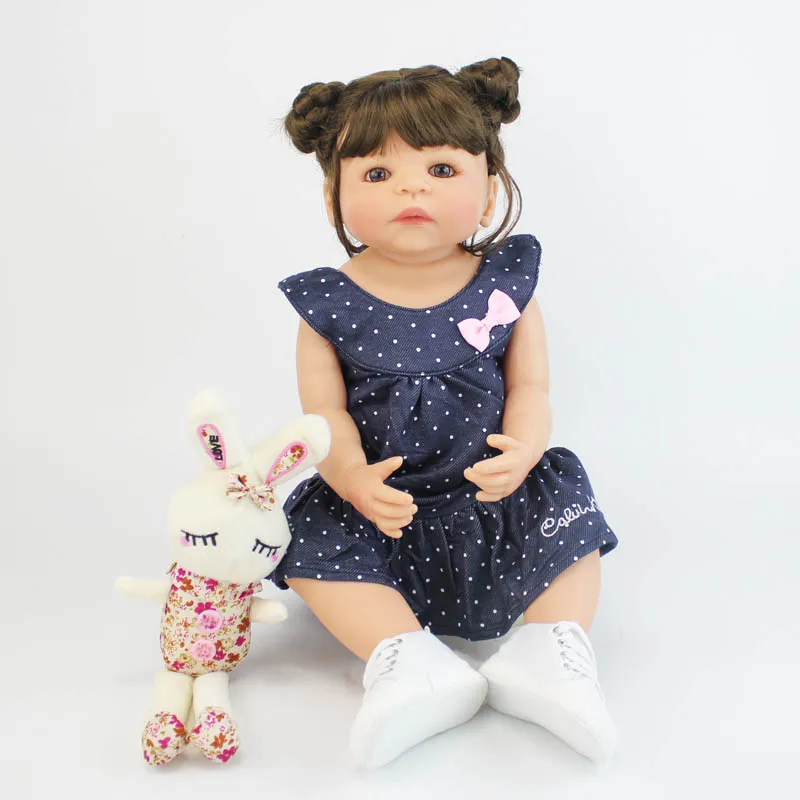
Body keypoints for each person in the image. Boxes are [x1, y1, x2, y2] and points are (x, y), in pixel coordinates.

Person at [269, 56, 620, 769]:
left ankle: (550, 651)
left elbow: (531, 388)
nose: (411, 188)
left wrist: (524, 449)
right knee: (302, 533)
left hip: (492, 499)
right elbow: (324, 414)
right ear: (334, 196)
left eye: (440, 169)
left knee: (566, 499)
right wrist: (351, 478)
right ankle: (404, 660)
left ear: (489, 190)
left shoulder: (505, 283)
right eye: (377, 173)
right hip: (382, 513)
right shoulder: (328, 304)